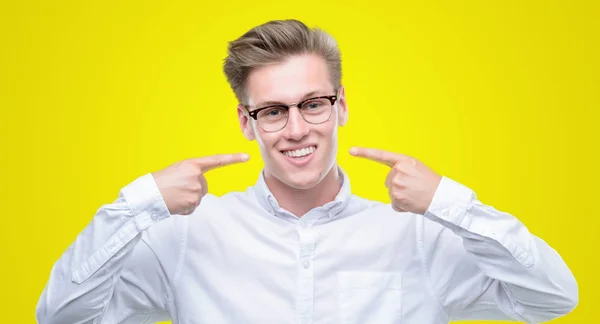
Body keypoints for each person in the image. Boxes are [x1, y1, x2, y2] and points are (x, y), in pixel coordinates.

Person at [36, 19, 578, 324]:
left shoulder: (417, 235)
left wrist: (447, 202)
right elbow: (61, 319)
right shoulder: (186, 236)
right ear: (247, 122)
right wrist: (141, 202)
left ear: (341, 105)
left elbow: (554, 297)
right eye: (272, 110)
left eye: (313, 104)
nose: (296, 129)